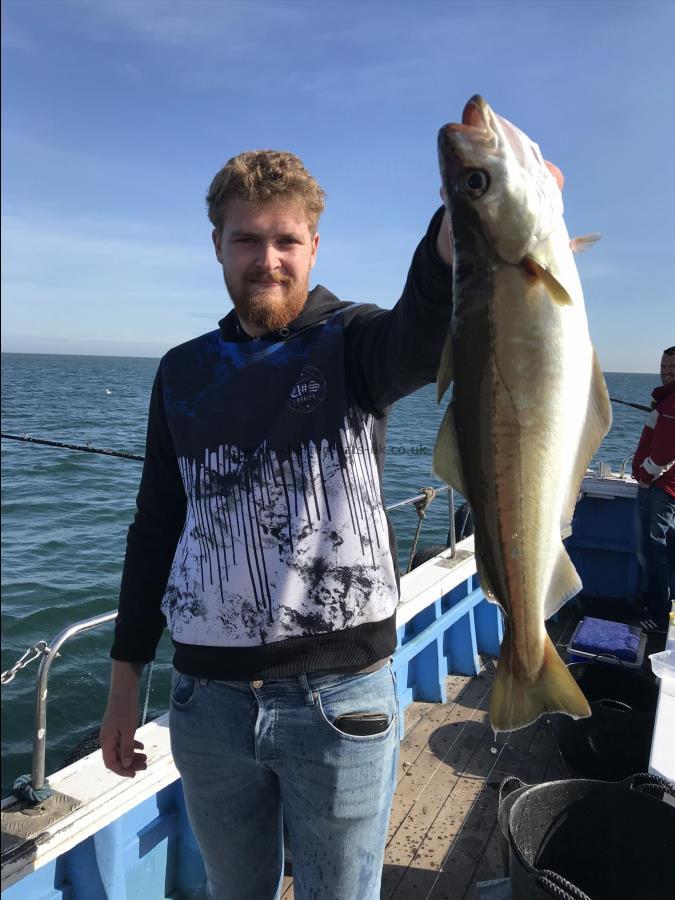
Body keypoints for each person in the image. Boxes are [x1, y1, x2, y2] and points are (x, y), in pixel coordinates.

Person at [100, 149, 454, 900]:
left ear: (313, 246)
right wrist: (124, 682)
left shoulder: (355, 342)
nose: (267, 260)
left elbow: (422, 335)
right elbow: (155, 524)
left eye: (285, 240)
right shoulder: (181, 370)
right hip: (204, 702)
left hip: (340, 699)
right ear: (218, 246)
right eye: (246, 240)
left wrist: (456, 226)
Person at [632, 346, 675, 633]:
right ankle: (663, 609)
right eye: (663, 367)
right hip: (666, 490)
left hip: (659, 490)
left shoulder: (672, 404)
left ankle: (658, 616)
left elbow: (664, 451)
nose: (666, 373)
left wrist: (646, 475)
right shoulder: (667, 401)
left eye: (672, 369)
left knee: (653, 551)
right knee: (663, 549)